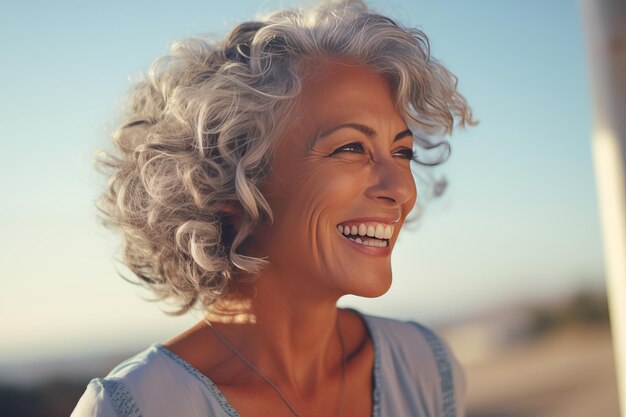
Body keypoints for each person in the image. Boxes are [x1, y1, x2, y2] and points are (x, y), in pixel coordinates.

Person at [72, 1, 474, 416]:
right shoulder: (136, 408)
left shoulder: (427, 366)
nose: (402, 189)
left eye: (402, 151)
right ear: (225, 180)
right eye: (351, 147)